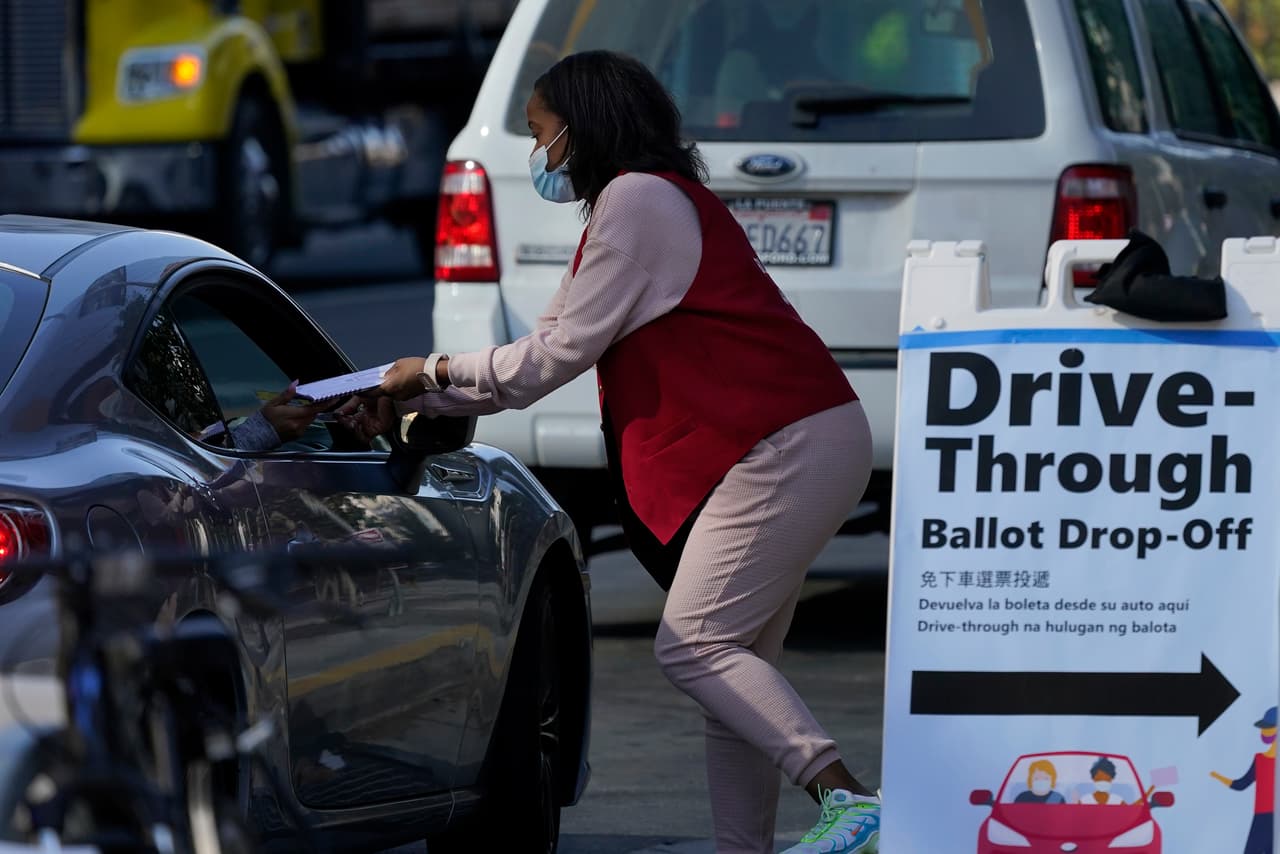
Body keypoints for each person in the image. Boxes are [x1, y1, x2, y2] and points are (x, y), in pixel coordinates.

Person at [343, 50, 877, 854]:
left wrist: (433, 370)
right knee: (730, 677)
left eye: (541, 133)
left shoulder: (638, 203)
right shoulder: (638, 206)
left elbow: (552, 356)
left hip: (782, 444)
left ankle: (850, 800)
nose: (538, 155)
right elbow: (538, 358)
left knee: (694, 645)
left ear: (584, 127)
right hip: (799, 437)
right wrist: (415, 394)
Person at [1211, 706, 1277, 854]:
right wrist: (1218, 776)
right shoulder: (1259, 759)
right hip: (1261, 817)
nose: (1264, 732)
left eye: (1268, 728)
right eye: (1264, 728)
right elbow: (1241, 784)